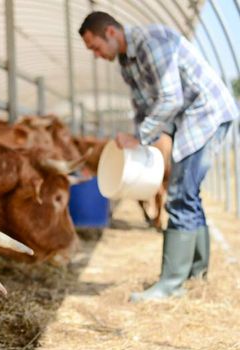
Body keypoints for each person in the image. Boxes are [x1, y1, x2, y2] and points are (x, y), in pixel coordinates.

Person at [78, 12, 238, 302]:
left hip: (207, 115)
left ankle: (171, 284)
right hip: (189, 120)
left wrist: (140, 137)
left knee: (178, 195)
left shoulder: (153, 42)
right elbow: (142, 108)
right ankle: (196, 276)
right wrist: (138, 139)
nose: (96, 55)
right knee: (188, 195)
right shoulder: (126, 64)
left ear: (111, 33)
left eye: (96, 47)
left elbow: (170, 98)